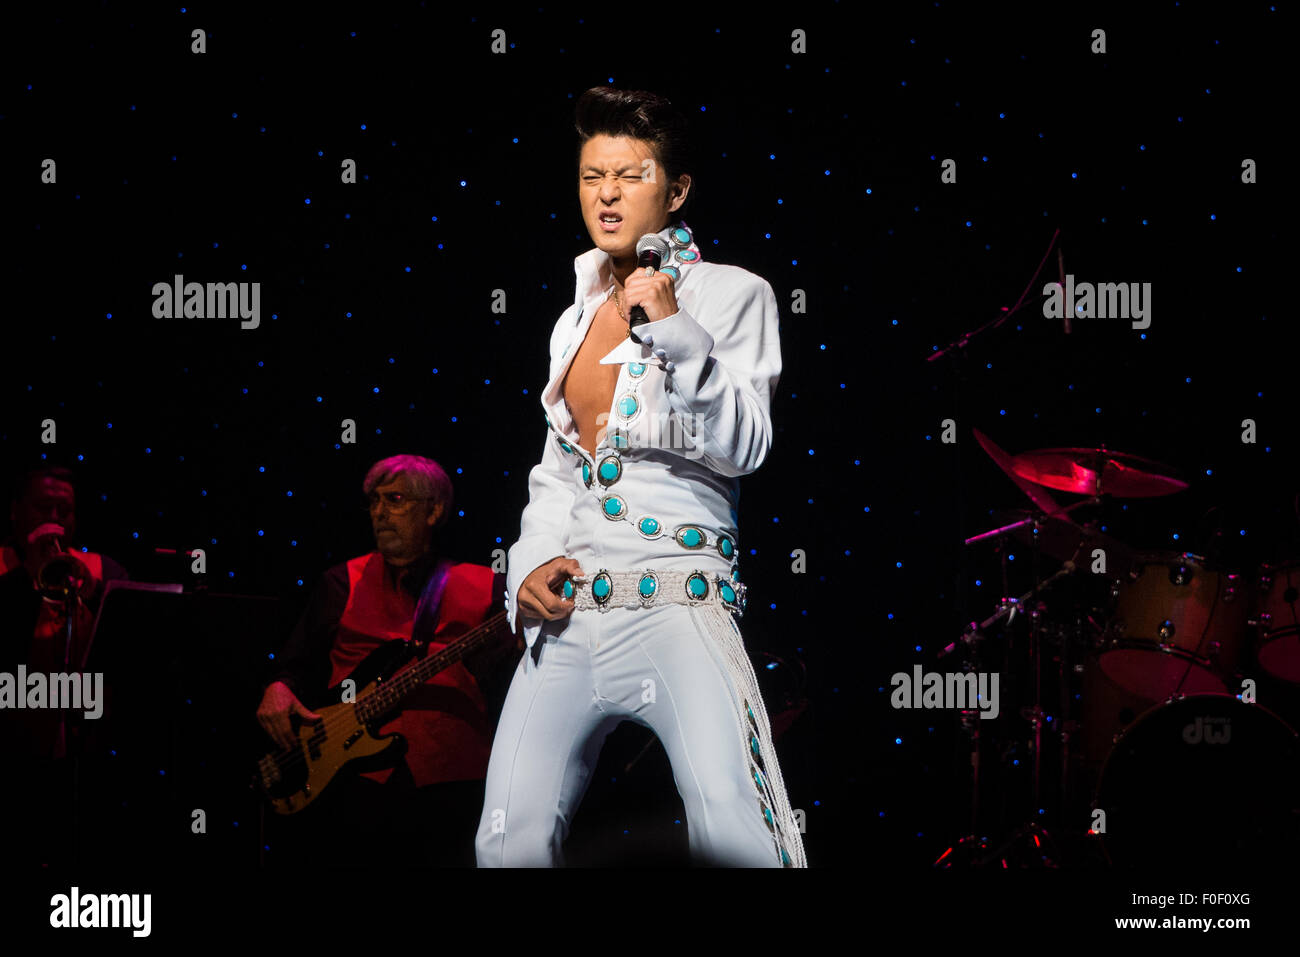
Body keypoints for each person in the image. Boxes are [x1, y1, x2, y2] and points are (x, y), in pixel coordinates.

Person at [476, 87, 807, 867]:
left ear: (676, 189)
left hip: (677, 600)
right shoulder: (572, 319)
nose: (608, 194)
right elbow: (559, 468)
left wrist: (675, 330)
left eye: (630, 174)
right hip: (571, 614)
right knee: (506, 838)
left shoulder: (732, 294)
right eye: (593, 176)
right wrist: (525, 569)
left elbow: (747, 443)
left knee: (737, 830)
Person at [256, 454, 517, 868]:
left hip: (450, 775)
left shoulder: (488, 584)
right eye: (374, 501)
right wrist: (278, 688)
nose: (379, 513)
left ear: (434, 510)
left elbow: (507, 679)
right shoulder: (341, 579)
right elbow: (296, 662)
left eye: (395, 499)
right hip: (350, 778)